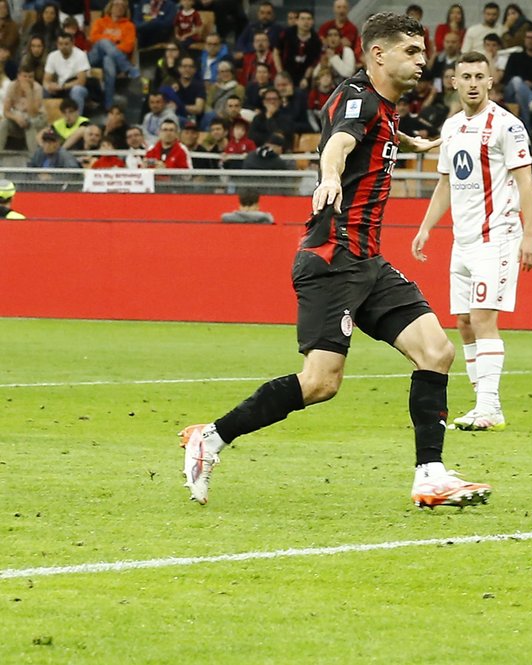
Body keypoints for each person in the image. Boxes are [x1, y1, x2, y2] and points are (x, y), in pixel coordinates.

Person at [178, 13, 490, 510]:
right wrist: (328, 175)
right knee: (321, 383)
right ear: (378, 54)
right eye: (412, 51)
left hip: (367, 261)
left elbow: (371, 134)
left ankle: (430, 476)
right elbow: (341, 142)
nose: (423, 61)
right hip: (333, 257)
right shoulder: (358, 99)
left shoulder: (382, 105)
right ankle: (210, 438)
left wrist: (412, 141)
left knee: (436, 351)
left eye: (423, 51)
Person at [411, 52, 532, 432]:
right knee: (465, 322)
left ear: (490, 81)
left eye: (478, 76)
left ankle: (489, 407)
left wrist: (531, 234)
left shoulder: (507, 125)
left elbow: (525, 182)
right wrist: (425, 227)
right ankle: (482, 403)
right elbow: (446, 183)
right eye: (465, 76)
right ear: (453, 82)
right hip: (463, 240)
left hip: (496, 236)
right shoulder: (452, 127)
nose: (472, 83)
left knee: (483, 318)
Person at [89, 0, 139, 111]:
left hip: (114, 61)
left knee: (108, 60)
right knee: (103, 43)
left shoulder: (129, 26)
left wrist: (110, 46)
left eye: (122, 6)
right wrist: (113, 41)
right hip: (95, 57)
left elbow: (128, 46)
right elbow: (94, 38)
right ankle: (127, 68)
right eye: (116, 5)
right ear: (110, 7)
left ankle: (109, 105)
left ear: (125, 10)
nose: (119, 7)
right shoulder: (100, 22)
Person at [0, 65, 46, 151]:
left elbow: (33, 114)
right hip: (18, 118)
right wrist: (16, 118)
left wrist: (29, 92)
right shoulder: (12, 86)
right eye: (25, 76)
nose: (27, 79)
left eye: (30, 77)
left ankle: (34, 156)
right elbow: (6, 111)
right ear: (18, 76)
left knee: (29, 123)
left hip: (37, 121)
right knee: (3, 123)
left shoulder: (37, 88)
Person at [43, 32, 89, 111]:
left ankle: (76, 118)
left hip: (76, 87)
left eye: (66, 44)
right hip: (60, 87)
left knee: (77, 90)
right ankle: (48, 118)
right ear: (57, 45)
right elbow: (46, 80)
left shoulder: (80, 55)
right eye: (60, 44)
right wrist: (49, 86)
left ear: (72, 44)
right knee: (45, 90)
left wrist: (62, 86)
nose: (63, 47)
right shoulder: (52, 56)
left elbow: (81, 81)